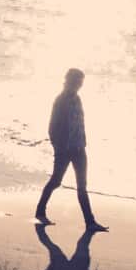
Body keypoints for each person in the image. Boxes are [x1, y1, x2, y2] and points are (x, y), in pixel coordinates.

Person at [35, 68, 107, 231]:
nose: (79, 85)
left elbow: (79, 123)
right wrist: (59, 147)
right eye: (76, 82)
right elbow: (52, 128)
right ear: (68, 81)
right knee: (56, 181)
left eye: (81, 82)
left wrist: (83, 141)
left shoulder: (77, 99)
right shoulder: (60, 101)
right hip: (65, 149)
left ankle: (90, 222)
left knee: (82, 186)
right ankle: (40, 212)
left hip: (79, 148)